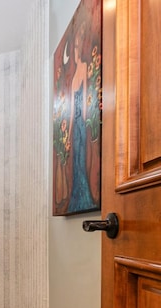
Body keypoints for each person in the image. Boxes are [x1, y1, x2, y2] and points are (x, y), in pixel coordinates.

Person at [67, 28, 95, 212]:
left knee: (81, 159)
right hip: (74, 125)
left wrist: (85, 122)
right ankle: (76, 196)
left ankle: (84, 196)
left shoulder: (84, 68)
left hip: (81, 124)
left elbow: (85, 99)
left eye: (78, 46)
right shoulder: (72, 79)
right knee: (76, 160)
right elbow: (69, 111)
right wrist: (69, 134)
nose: (76, 51)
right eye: (74, 48)